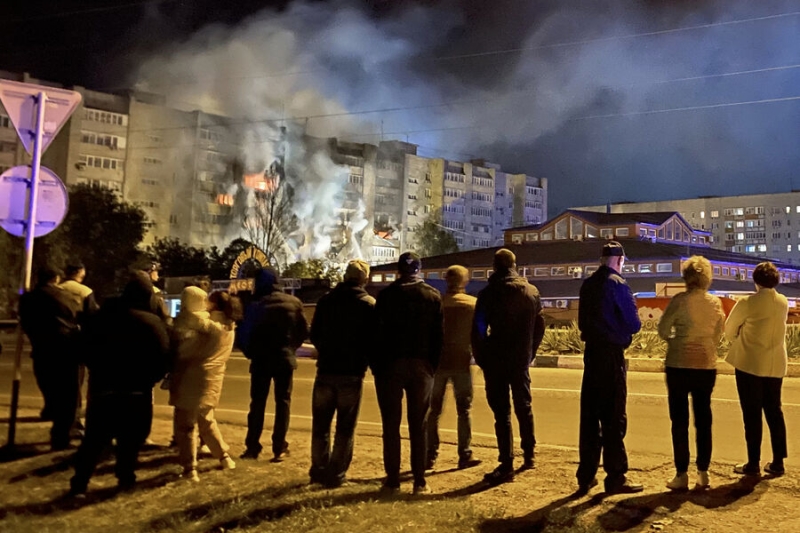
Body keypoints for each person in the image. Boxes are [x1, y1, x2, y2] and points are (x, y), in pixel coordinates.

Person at [69, 272, 170, 495]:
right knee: (131, 441)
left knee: (94, 440)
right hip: (136, 391)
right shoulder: (151, 323)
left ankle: (79, 483)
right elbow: (163, 357)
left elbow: (84, 349)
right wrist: (149, 379)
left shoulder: (101, 317)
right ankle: (125, 479)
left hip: (103, 389)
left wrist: (99, 370)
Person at [576, 241, 643, 495]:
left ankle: (586, 475)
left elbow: (583, 321)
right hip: (612, 357)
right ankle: (615, 476)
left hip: (591, 356)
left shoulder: (588, 285)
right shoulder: (618, 284)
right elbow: (634, 324)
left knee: (590, 417)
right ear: (619, 260)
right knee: (613, 418)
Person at [472, 249, 544, 485]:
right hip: (520, 359)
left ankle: (506, 462)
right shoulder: (531, 291)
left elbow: (479, 330)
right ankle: (529, 454)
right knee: (524, 406)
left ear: (495, 267)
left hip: (496, 359)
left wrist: (482, 358)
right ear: (514, 265)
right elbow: (540, 325)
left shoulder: (488, 293)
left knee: (501, 413)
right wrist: (530, 352)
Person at [373, 252, 443, 495]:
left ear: (399, 270)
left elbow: (376, 335)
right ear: (419, 270)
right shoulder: (432, 296)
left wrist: (378, 367)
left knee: (391, 424)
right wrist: (431, 367)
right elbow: (438, 337)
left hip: (391, 365)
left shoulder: (386, 296)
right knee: (419, 424)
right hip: (421, 366)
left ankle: (392, 480)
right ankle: (419, 481)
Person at [657, 256, 726, 490]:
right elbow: (718, 333)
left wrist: (675, 340)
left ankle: (681, 474)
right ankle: (703, 473)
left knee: (679, 421)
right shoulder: (715, 302)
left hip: (678, 364)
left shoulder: (679, 301)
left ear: (686, 277)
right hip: (706, 365)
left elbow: (663, 329)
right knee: (704, 418)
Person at [308, 259, 375, 487]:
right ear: (364, 279)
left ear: (345, 276)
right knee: (345, 428)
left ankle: (318, 470)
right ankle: (336, 474)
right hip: (351, 372)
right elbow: (373, 340)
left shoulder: (326, 301)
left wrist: (326, 350)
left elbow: (315, 334)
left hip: (326, 370)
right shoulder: (368, 304)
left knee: (321, 426)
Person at [725, 261, 789, 476]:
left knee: (752, 414)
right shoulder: (782, 302)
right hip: (775, 364)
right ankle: (778, 461)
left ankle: (753, 463)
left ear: (756, 280)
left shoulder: (746, 302)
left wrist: (738, 336)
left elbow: (729, 329)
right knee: (774, 411)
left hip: (749, 363)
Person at [239, 267, 309, 461]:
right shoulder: (293, 303)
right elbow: (303, 331)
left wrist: (250, 353)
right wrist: (291, 348)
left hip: (261, 359)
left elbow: (244, 333)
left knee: (257, 404)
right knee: (283, 403)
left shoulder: (255, 304)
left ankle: (252, 447)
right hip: (284, 359)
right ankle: (279, 447)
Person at [170, 287, 240, 482]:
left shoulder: (210, 326)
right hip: (214, 379)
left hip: (193, 379)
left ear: (214, 304)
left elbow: (185, 347)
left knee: (186, 426)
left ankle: (190, 469)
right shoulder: (229, 326)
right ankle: (224, 458)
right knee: (207, 421)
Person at [19, 266, 81, 450]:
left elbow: (25, 321)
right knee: (68, 395)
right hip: (65, 351)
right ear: (56, 279)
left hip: (41, 350)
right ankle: (60, 437)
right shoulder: (64, 296)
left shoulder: (27, 299)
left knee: (50, 389)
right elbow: (76, 316)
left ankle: (54, 417)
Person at [427, 265, 481, 471]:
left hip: (438, 365)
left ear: (446, 281)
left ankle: (429, 455)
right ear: (464, 281)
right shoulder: (472, 305)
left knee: (433, 411)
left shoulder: (436, 305)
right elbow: (480, 333)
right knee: (464, 410)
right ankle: (464, 454)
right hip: (461, 363)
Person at [60, 261, 100, 433]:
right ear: (79, 272)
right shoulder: (84, 291)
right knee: (75, 382)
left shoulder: (57, 289)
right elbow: (92, 317)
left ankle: (61, 417)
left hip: (56, 341)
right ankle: (74, 420)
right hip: (76, 341)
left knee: (60, 382)